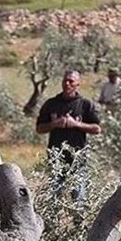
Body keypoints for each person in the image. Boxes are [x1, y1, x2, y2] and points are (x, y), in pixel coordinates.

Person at [36, 70, 101, 207]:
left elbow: (97, 128)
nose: (67, 84)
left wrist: (76, 124)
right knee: (54, 200)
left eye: (71, 81)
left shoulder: (85, 104)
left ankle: (80, 227)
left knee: (79, 201)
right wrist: (55, 124)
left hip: (77, 161)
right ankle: (53, 226)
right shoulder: (51, 104)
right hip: (57, 160)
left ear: (77, 84)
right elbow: (39, 128)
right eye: (65, 80)